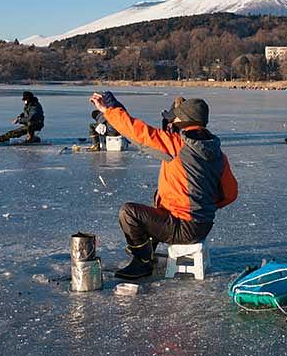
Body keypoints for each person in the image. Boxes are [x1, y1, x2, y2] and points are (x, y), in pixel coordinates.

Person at [89, 92, 238, 279]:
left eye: (174, 118)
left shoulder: (178, 145)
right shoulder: (218, 154)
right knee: (160, 199)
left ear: (182, 120)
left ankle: (142, 262)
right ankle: (147, 246)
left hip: (182, 227)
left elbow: (139, 134)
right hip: (203, 225)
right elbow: (231, 194)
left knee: (129, 213)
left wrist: (109, 109)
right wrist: (202, 205)